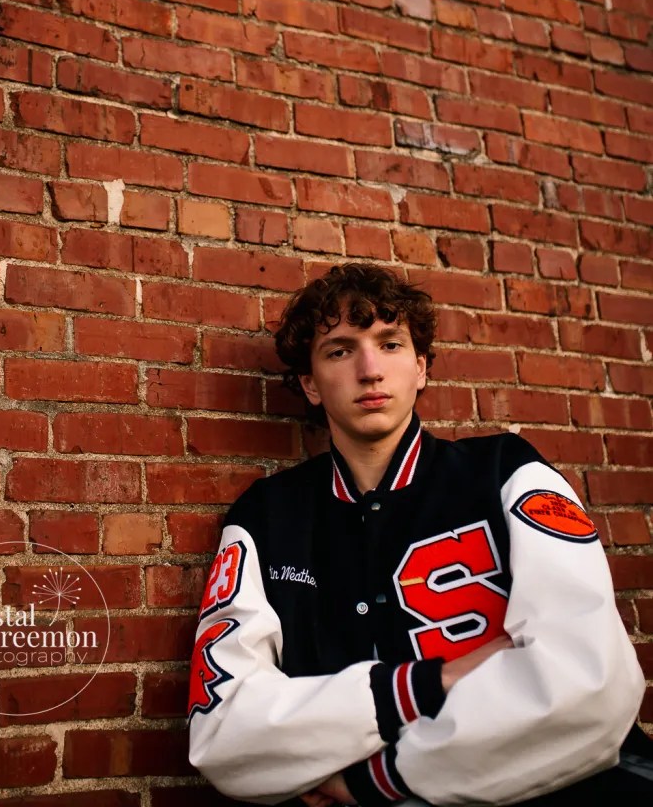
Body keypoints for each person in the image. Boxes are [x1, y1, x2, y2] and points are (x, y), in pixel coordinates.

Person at [187, 264, 650, 806]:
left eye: (390, 344)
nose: (369, 370)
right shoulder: (268, 516)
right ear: (310, 384)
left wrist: (370, 779)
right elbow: (222, 733)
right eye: (340, 351)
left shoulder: (507, 473)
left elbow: (589, 687)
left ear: (421, 367)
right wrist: (428, 684)